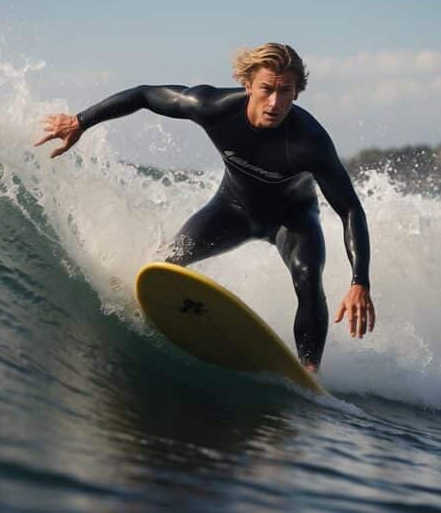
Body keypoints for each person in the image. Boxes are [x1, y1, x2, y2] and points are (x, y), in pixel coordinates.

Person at [35, 43, 374, 372]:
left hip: (293, 220)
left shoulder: (310, 140)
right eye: (266, 89)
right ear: (247, 85)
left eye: (285, 91)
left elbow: (349, 209)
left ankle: (310, 370)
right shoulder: (214, 106)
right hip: (232, 210)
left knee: (307, 277)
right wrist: (79, 121)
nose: (275, 102)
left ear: (296, 92)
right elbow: (142, 95)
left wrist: (360, 281)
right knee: (165, 266)